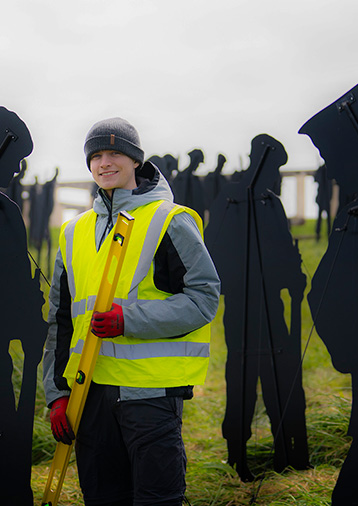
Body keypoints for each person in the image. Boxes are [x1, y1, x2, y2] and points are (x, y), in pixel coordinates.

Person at [43, 118, 220, 506]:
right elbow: (60, 320)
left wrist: (129, 320)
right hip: (90, 393)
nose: (105, 163)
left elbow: (204, 298)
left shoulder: (169, 220)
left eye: (115, 153)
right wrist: (57, 393)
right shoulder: (73, 233)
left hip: (150, 396)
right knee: (104, 498)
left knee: (158, 500)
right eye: (96, 156)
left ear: (136, 160)